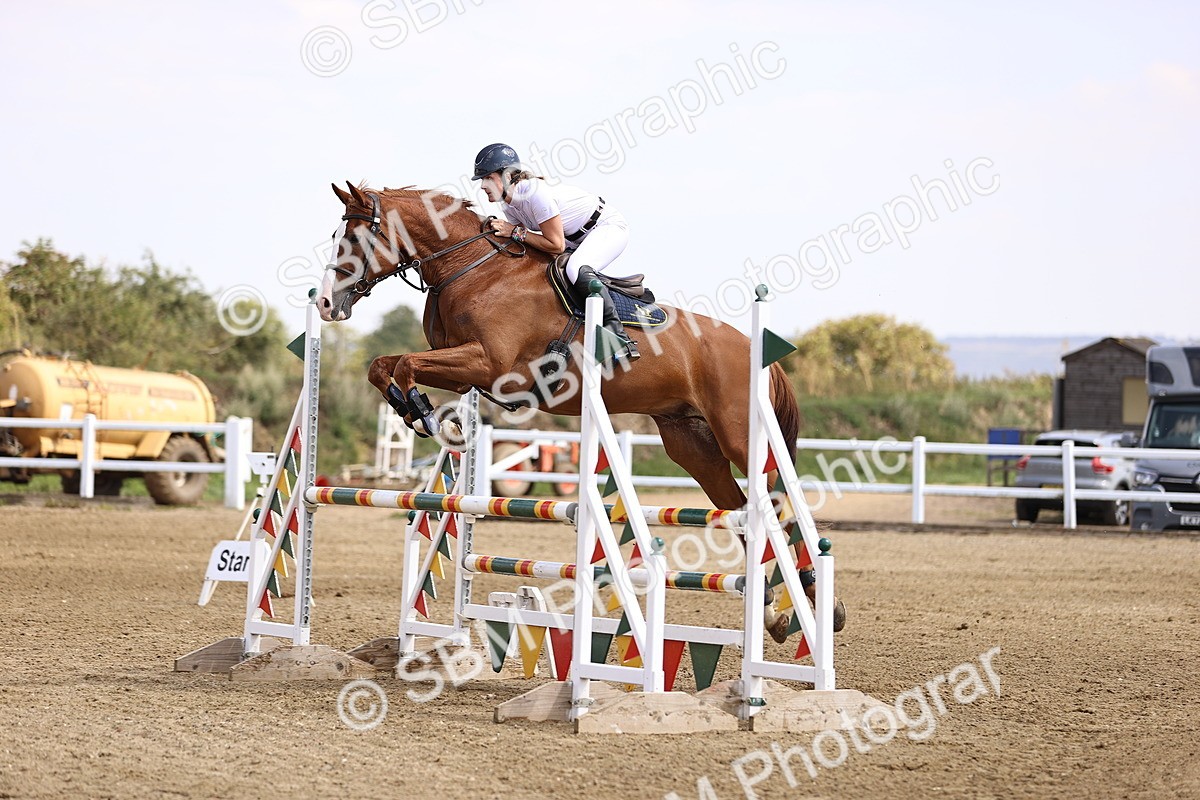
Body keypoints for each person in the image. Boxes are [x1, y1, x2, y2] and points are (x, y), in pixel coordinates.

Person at [470, 142, 639, 362]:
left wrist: (514, 231)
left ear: (506, 176)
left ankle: (619, 338)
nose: (483, 186)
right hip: (574, 238)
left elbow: (555, 245)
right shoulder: (508, 205)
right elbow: (526, 243)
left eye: (487, 178)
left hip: (606, 227)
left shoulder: (532, 193)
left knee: (576, 269)